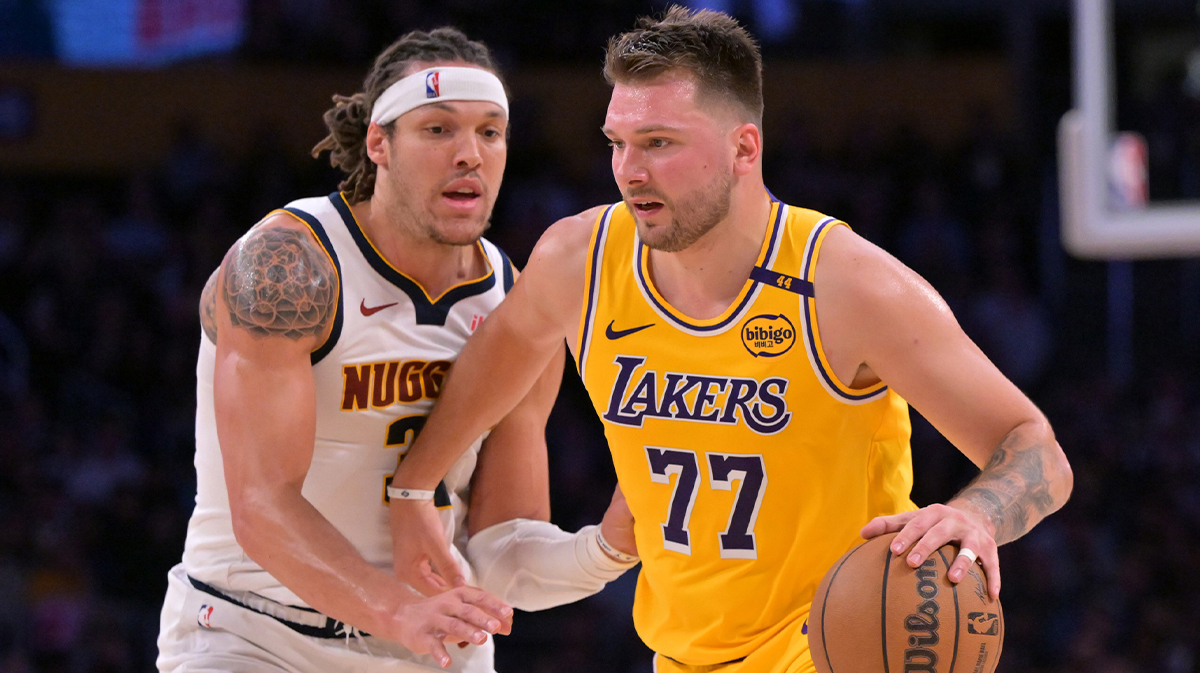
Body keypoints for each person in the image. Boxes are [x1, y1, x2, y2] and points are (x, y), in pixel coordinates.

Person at [387, 7, 1074, 673]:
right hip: (680, 656)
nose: (630, 170)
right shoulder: (581, 260)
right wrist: (414, 487)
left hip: (831, 648)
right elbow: (495, 362)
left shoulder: (848, 285)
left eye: (659, 142)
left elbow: (1033, 444)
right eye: (617, 143)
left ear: (745, 147)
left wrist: (976, 514)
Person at [157, 27, 639, 673]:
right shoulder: (287, 265)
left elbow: (499, 551)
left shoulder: (515, 304)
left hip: (430, 645)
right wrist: (396, 610)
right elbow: (262, 506)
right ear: (379, 143)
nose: (469, 153)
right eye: (438, 129)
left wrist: (605, 548)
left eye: (489, 132)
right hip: (254, 634)